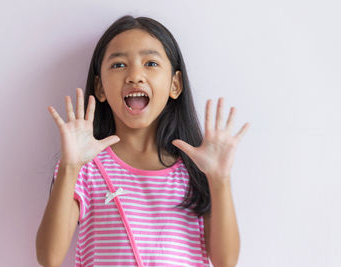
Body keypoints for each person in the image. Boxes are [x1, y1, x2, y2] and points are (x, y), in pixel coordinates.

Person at [36, 15, 250, 267]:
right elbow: (48, 258)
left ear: (175, 84)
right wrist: (70, 168)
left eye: (150, 63)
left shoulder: (197, 168)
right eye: (118, 65)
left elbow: (226, 261)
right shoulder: (84, 166)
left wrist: (219, 180)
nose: (135, 76)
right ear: (100, 87)